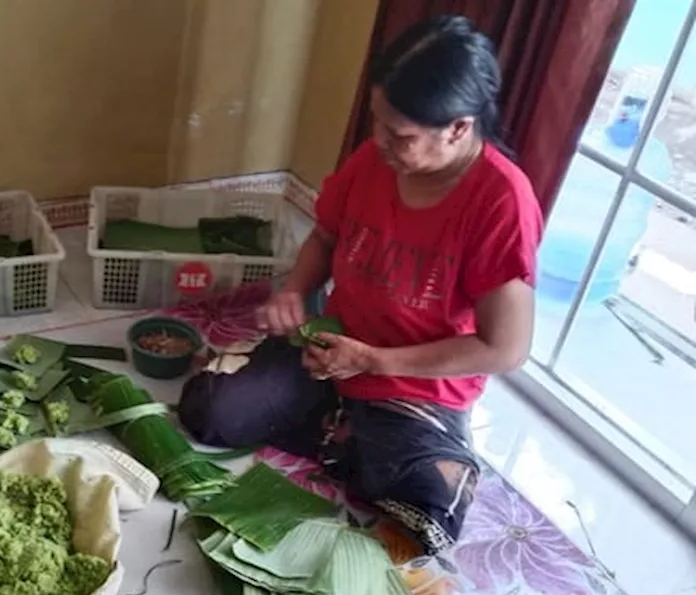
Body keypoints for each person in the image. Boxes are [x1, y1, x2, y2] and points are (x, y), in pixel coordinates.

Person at [179, 16, 543, 554]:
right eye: (377, 123)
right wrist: (294, 293)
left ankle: (366, 437)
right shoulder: (374, 159)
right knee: (208, 411)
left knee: (425, 514)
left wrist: (374, 361)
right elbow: (325, 238)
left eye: (401, 136)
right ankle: (344, 433)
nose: (380, 143)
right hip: (329, 348)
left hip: (412, 383)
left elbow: (505, 349)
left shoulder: (501, 201)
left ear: (459, 128)